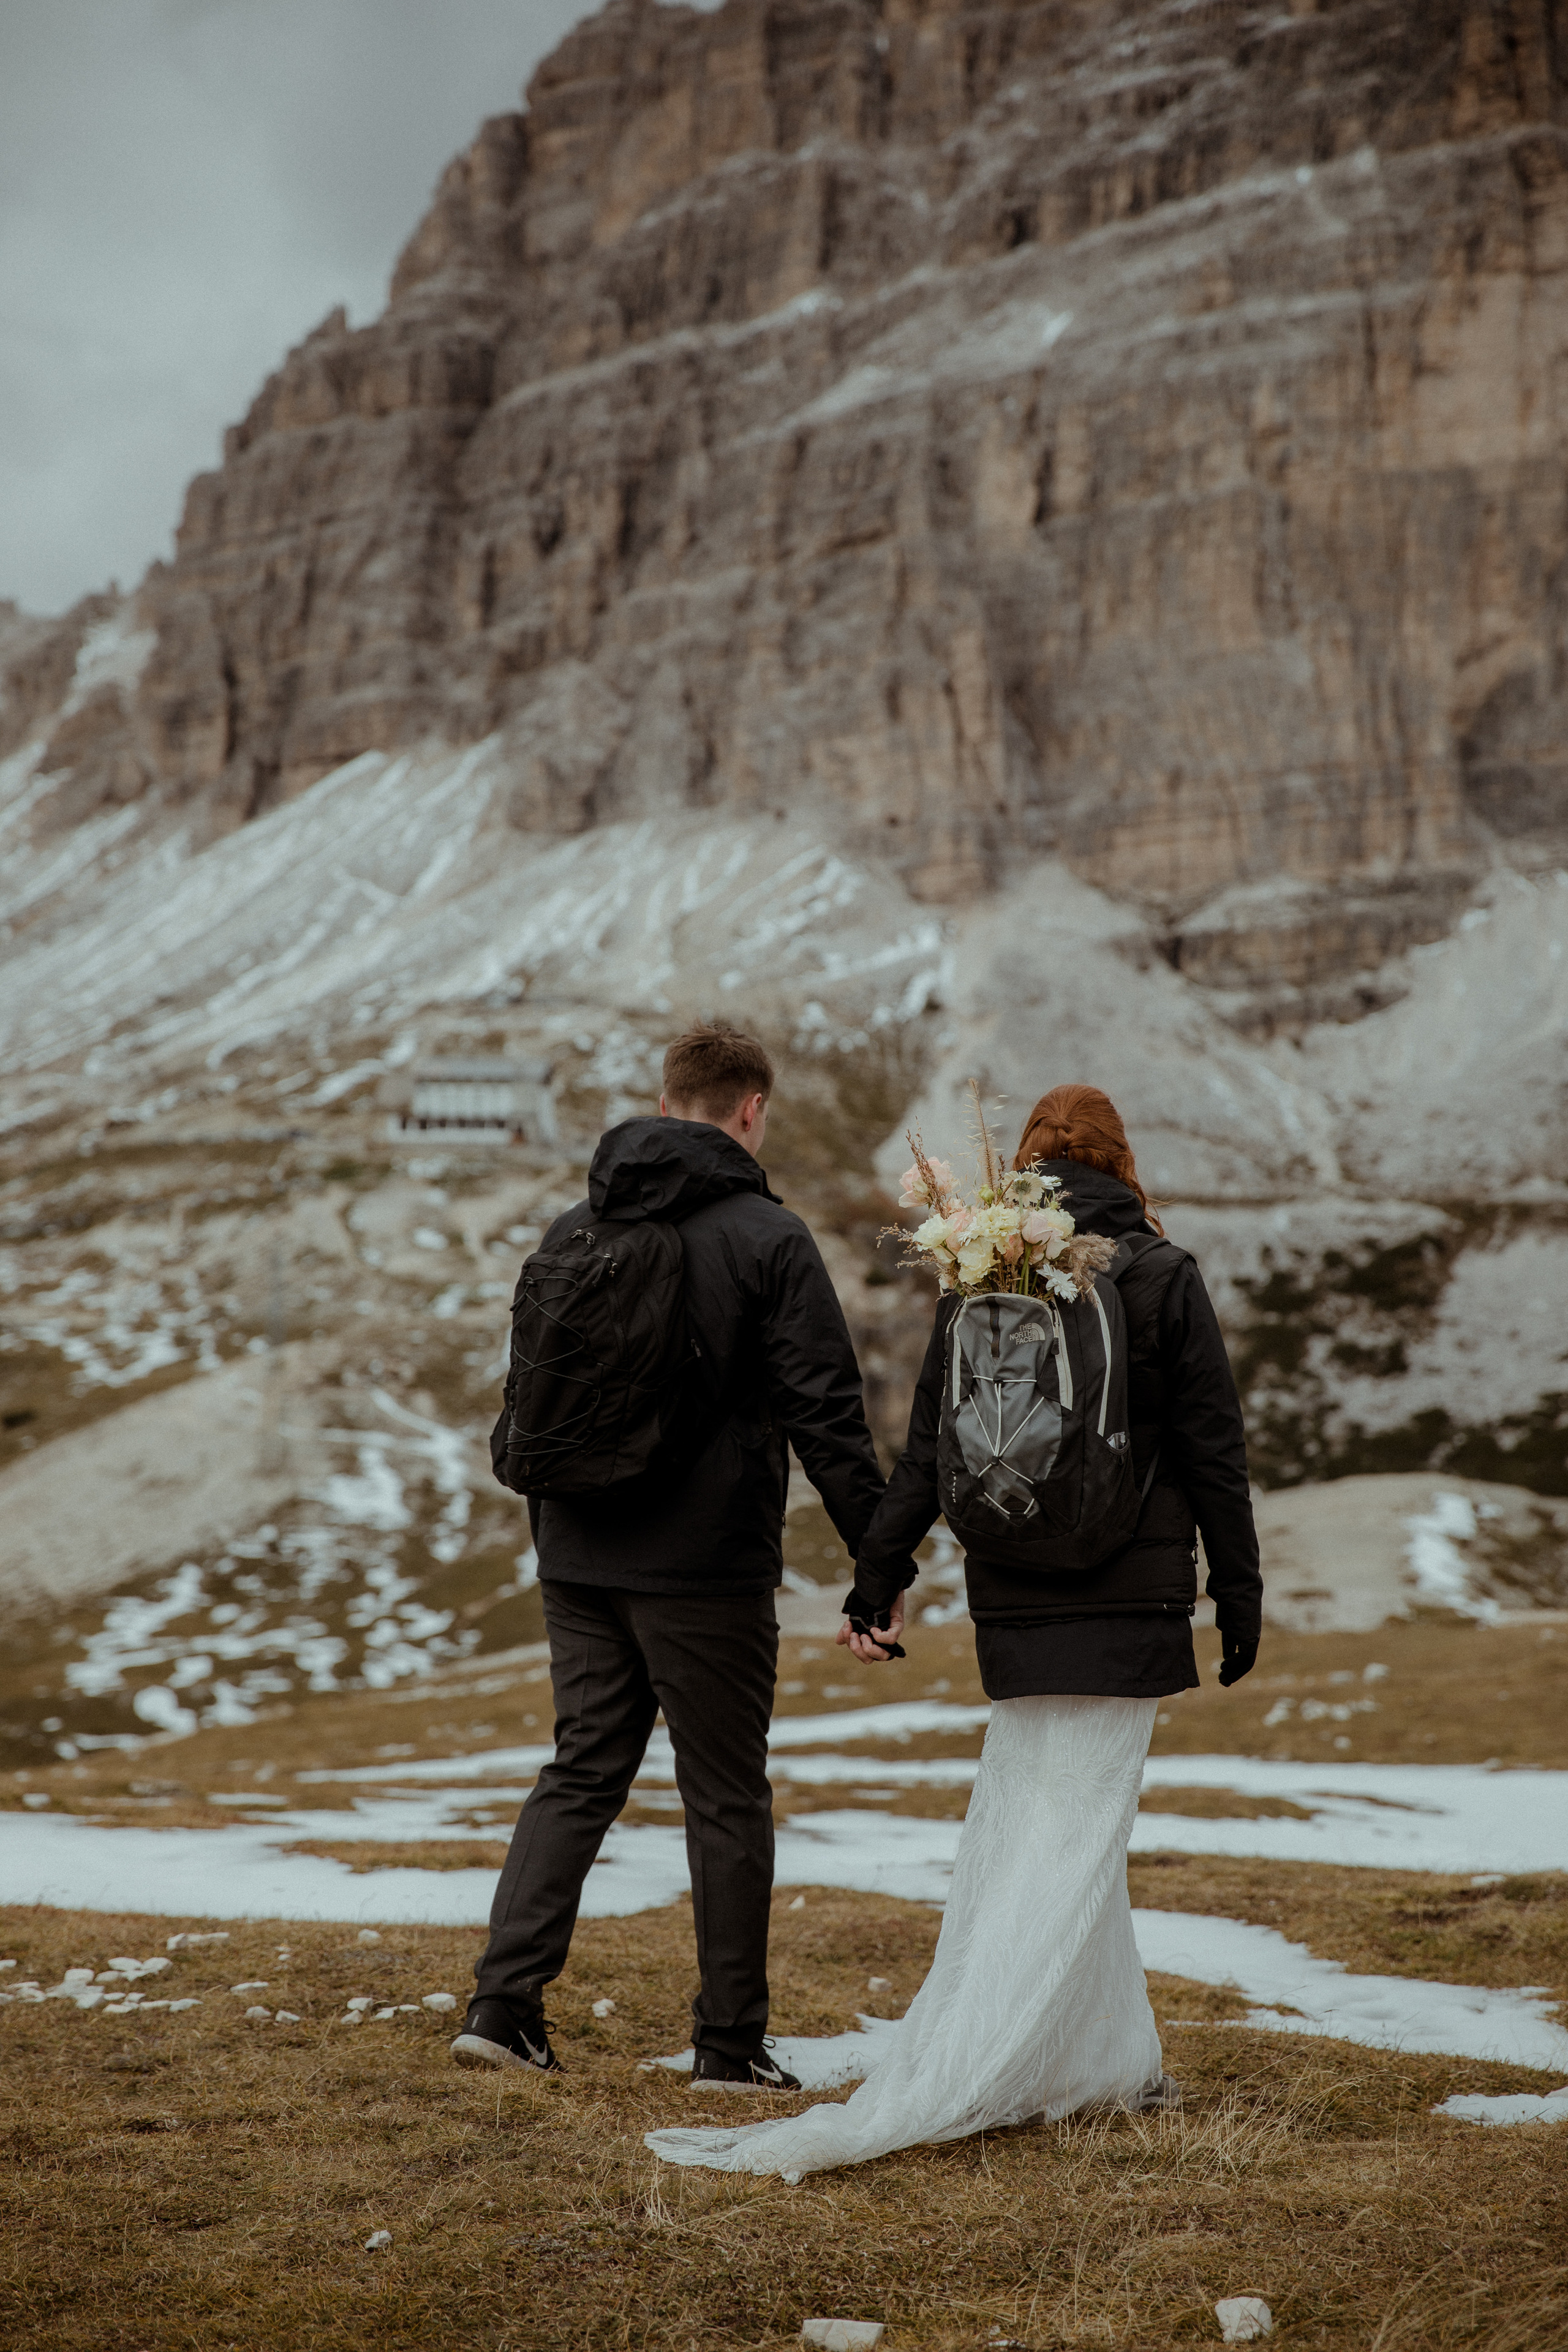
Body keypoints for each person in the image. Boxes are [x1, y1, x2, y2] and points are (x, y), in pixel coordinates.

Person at [645, 1082, 1262, 2178]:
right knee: (1077, 1836)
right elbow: (1214, 1449)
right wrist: (1241, 1593)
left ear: (1025, 1170)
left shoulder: (987, 1275)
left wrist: (876, 1579)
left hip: (1015, 1592)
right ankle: (985, 2062)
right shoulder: (1162, 1274)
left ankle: (1112, 2060)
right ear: (1122, 1164)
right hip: (1129, 1598)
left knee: (1059, 1832)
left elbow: (930, 1449)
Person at [451, 1021, 886, 2089]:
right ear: (752, 1110)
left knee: (580, 1771)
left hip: (577, 1552)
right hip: (705, 1566)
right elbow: (828, 1416)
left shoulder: (577, 1224)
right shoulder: (768, 1237)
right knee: (726, 1796)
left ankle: (502, 2010)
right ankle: (728, 2048)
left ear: (663, 1103)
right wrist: (880, 1567)